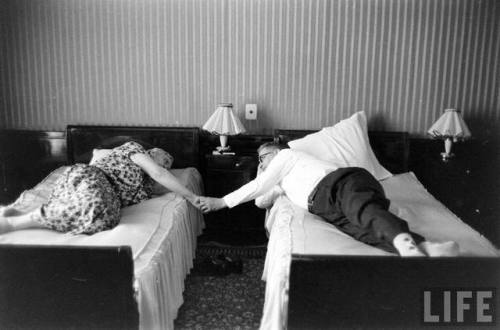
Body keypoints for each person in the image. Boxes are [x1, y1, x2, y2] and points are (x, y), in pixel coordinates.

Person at [198, 142, 459, 257]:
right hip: (322, 206)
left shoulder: (287, 156)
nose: (262, 163)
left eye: (263, 157)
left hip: (340, 183)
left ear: (276, 152)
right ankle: (427, 248)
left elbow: (258, 186)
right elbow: (260, 201)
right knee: (360, 231)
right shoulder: (280, 182)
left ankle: (408, 248)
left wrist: (221, 202)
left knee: (362, 210)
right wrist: (262, 169)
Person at [0, 141, 201, 235]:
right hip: (91, 177)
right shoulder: (133, 149)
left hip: (104, 194)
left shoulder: (144, 190)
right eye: (163, 156)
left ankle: (32, 215)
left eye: (168, 163)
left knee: (105, 220)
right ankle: (18, 223)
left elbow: (162, 181)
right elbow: (159, 173)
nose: (165, 162)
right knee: (95, 206)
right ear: (151, 152)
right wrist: (192, 196)